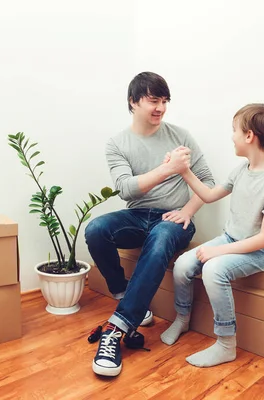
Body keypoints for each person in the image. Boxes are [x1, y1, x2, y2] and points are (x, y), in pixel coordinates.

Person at [84, 71, 215, 377]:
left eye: (165, 101)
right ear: (133, 102)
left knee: (159, 242)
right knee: (95, 230)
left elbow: (208, 181)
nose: (161, 107)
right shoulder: (117, 143)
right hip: (136, 215)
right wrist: (169, 168)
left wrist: (187, 210)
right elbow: (127, 189)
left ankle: (115, 331)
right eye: (153, 100)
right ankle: (125, 295)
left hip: (172, 218)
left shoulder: (180, 135)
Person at [160, 103, 264, 368]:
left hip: (263, 250)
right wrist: (183, 171)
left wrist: (217, 252)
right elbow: (208, 196)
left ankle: (226, 344)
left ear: (249, 136)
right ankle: (182, 318)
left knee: (213, 270)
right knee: (184, 264)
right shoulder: (242, 170)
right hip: (232, 239)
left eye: (234, 130)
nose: (231, 136)